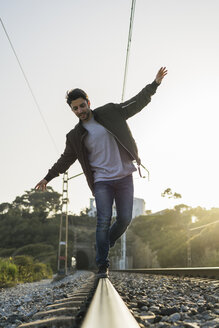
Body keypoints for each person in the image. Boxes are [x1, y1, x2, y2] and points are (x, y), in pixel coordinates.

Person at [35, 67, 167, 278]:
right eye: (75, 109)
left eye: (82, 105)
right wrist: (47, 177)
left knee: (124, 219)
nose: (80, 111)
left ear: (89, 102)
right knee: (103, 220)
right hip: (102, 181)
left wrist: (154, 85)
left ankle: (105, 242)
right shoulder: (74, 136)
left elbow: (135, 103)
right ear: (72, 111)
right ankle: (102, 265)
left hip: (124, 175)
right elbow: (65, 160)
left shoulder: (110, 112)